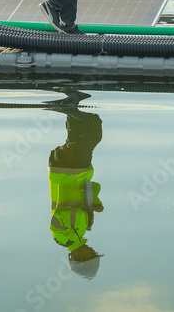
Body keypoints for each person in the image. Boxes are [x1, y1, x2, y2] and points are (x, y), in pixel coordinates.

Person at [47, 108, 104, 278]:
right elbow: (90, 188)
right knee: (80, 135)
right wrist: (95, 203)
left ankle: (68, 106)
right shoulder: (83, 230)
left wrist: (85, 213)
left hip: (66, 172)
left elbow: (60, 215)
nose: (93, 250)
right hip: (78, 171)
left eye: (91, 255)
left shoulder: (63, 239)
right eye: (94, 254)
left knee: (92, 136)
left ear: (79, 257)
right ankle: (72, 101)